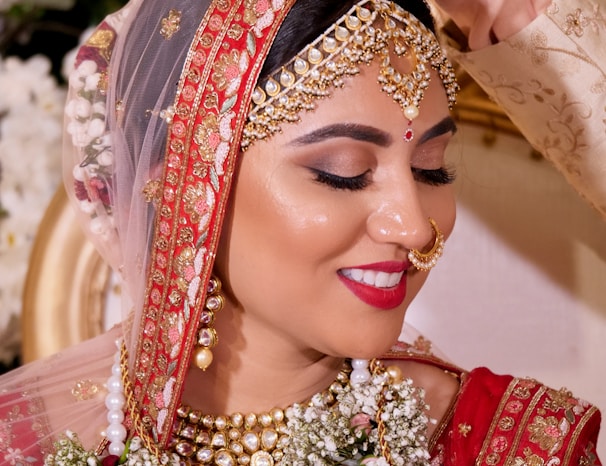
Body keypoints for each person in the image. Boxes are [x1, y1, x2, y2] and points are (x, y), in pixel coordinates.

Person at [0, 0, 603, 464]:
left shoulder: (517, 444)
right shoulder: (22, 442)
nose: (415, 225)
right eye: (342, 173)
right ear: (185, 188)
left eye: (432, 169)